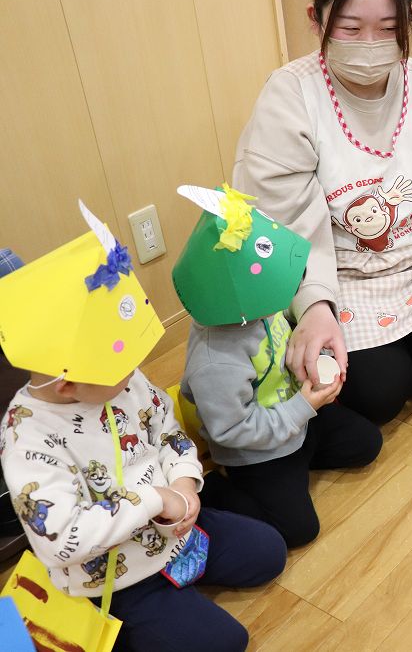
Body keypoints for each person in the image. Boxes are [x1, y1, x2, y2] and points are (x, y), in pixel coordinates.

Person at [0, 203, 285, 652]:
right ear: (68, 383)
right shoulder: (26, 437)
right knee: (226, 642)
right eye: (120, 370)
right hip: (113, 576)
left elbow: (166, 430)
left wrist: (184, 484)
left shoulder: (116, 377)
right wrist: (156, 499)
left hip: (175, 527)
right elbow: (62, 540)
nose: (132, 375)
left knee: (269, 551)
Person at [232, 0, 412, 426]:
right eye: (350, 27)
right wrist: (314, 305)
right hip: (338, 277)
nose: (370, 45)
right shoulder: (291, 95)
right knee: (379, 393)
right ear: (317, 20)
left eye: (388, 28)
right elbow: (284, 224)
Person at [173, 185, 382, 548]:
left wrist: (315, 362)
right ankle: (215, 492)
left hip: (295, 421)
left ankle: (297, 465)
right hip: (256, 451)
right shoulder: (215, 361)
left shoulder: (259, 306)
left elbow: (283, 341)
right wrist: (302, 408)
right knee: (299, 530)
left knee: (367, 443)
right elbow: (232, 431)